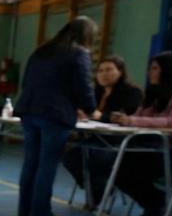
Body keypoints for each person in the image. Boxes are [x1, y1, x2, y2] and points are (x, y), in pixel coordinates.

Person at [108, 51, 172, 216]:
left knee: (125, 167)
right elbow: (140, 114)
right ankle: (154, 202)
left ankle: (155, 203)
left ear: (169, 70)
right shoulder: (157, 91)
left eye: (154, 68)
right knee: (115, 164)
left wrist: (132, 120)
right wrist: (123, 119)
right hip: (159, 145)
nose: (150, 72)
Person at [13, 17, 98, 216]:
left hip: (30, 110)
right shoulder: (79, 53)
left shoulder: (41, 51)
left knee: (31, 161)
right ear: (87, 36)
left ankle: (24, 209)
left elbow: (26, 82)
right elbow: (83, 84)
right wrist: (90, 109)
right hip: (55, 114)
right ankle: (41, 212)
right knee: (47, 163)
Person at [61, 55, 143, 206]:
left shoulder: (132, 92)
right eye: (100, 71)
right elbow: (87, 111)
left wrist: (98, 116)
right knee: (69, 157)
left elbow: (122, 116)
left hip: (118, 140)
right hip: (95, 137)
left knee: (97, 159)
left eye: (109, 70)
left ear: (120, 71)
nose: (104, 74)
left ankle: (98, 190)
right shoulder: (95, 93)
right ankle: (97, 188)